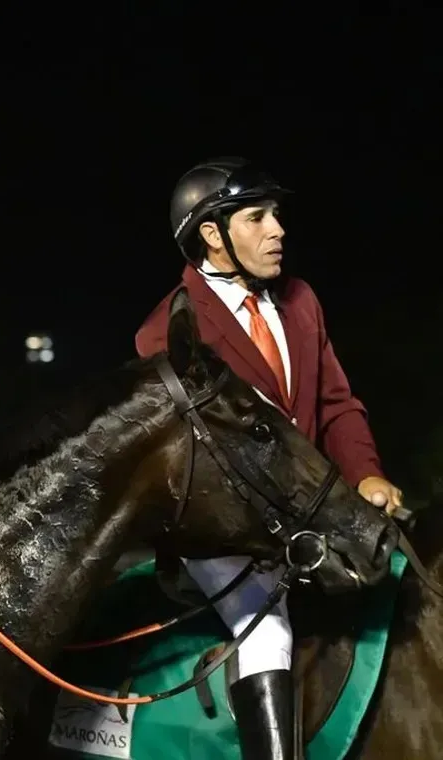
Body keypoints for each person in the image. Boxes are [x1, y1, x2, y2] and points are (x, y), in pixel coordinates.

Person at [134, 157, 403, 760]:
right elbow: (201, 463)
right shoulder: (167, 331)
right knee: (267, 630)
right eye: (258, 217)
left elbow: (336, 403)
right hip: (225, 530)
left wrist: (366, 474)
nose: (278, 229)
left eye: (276, 214)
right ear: (213, 234)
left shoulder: (301, 301)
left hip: (314, 504)